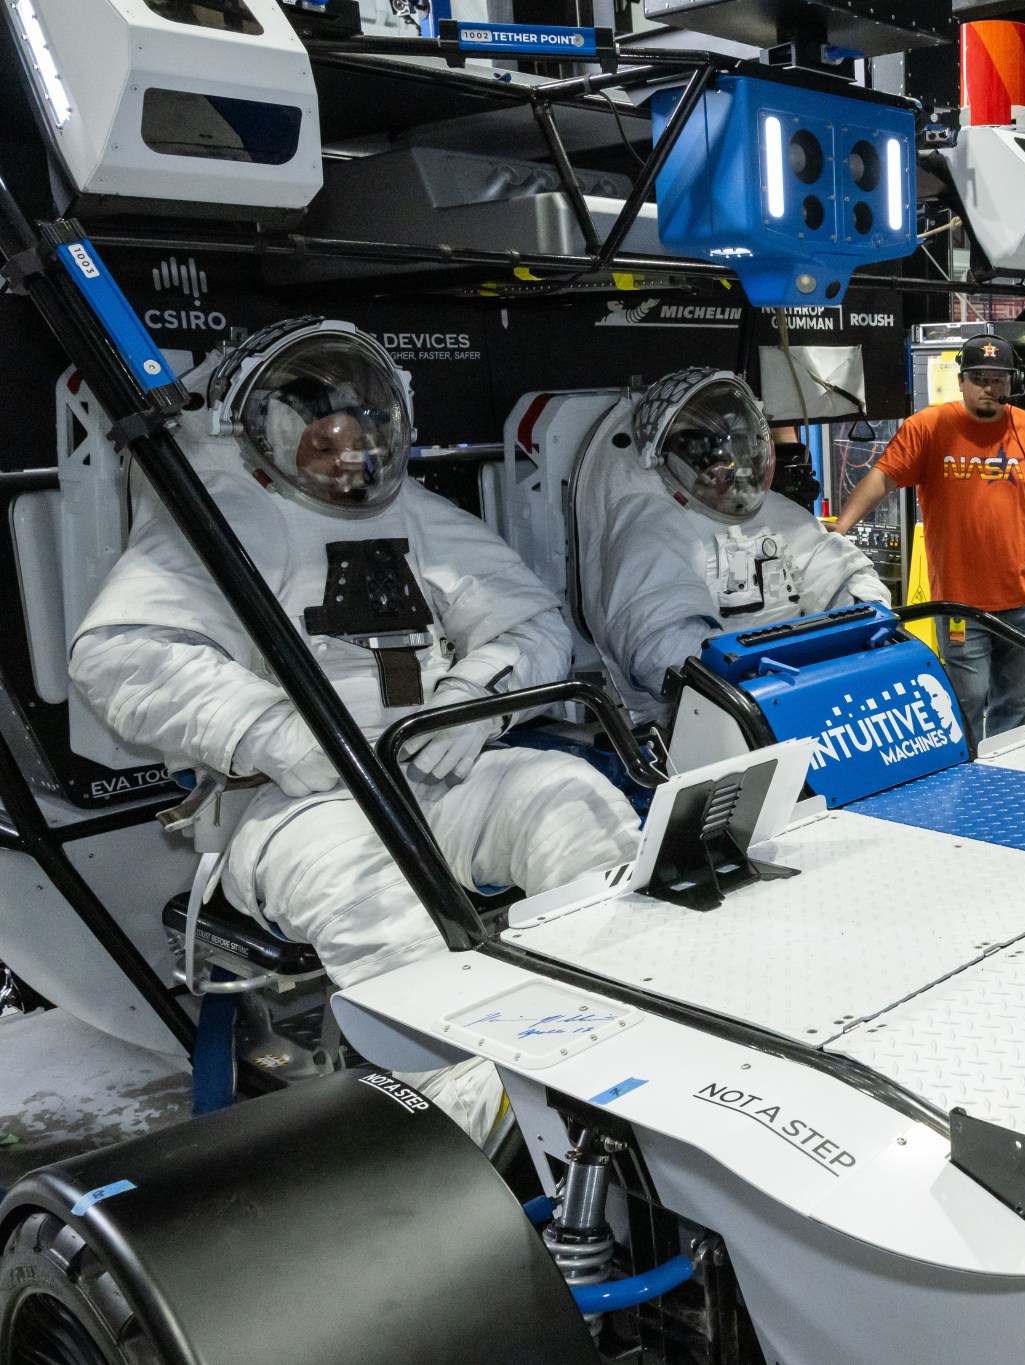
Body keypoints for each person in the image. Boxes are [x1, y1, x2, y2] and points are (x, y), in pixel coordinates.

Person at [69, 318, 641, 1139]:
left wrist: (477, 693)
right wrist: (280, 729)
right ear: (265, 431)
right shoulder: (218, 516)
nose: (348, 459)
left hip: (427, 763)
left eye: (363, 435)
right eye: (324, 440)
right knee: (377, 898)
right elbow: (123, 655)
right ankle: (475, 1120)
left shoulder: (417, 514)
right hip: (294, 804)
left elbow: (530, 620)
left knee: (568, 798)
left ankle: (624, 1033)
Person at [577, 368, 888, 722]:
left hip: (813, 694)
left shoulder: (777, 512)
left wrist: (863, 631)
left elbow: (847, 576)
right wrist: (759, 680)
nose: (733, 471)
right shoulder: (649, 525)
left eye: (740, 452)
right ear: (675, 458)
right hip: (724, 716)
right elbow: (659, 648)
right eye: (713, 459)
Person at [836, 333, 1025, 745]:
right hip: (959, 604)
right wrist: (842, 528)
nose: (990, 387)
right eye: (980, 377)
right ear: (961, 381)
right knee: (966, 705)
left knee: (1014, 708)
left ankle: (1009, 786)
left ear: (1012, 383)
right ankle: (968, 790)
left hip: (1023, 598)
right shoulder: (930, 427)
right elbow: (882, 478)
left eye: (999, 379)